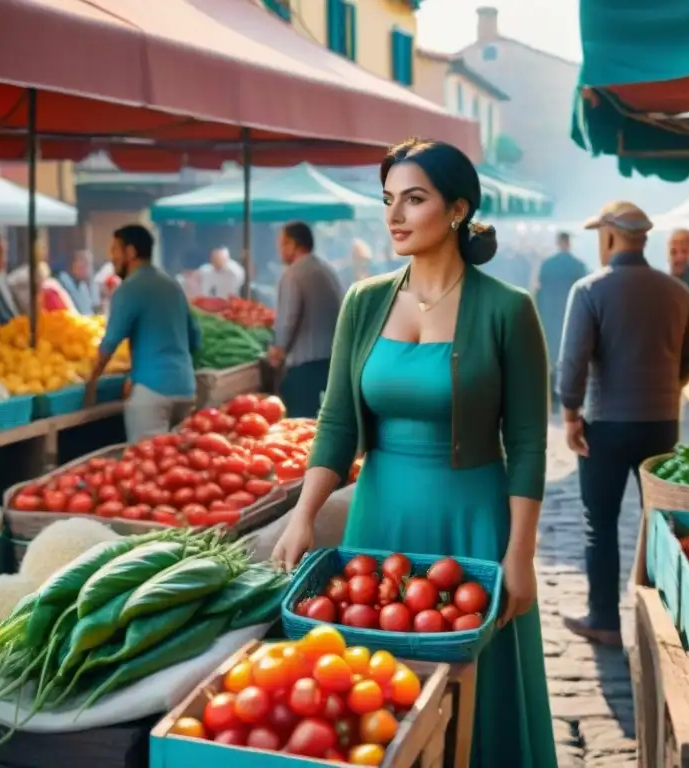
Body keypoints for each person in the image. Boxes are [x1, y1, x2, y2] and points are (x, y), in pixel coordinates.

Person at [272, 138, 557, 767]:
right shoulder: (364, 301)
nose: (395, 215)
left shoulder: (510, 310)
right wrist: (301, 515)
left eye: (415, 199)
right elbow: (337, 422)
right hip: (377, 523)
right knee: (379, 696)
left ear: (457, 209)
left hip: (473, 525)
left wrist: (521, 555)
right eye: (388, 200)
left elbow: (531, 444)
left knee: (476, 696)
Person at [558, 201, 689, 647]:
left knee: (600, 521)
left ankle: (604, 618)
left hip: (605, 425)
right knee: (660, 523)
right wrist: (661, 392)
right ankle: (668, 621)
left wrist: (569, 415)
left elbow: (571, 364)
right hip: (661, 425)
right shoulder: (679, 292)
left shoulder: (589, 290)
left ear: (611, 237)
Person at [85, 225, 201, 441]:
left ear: (131, 252)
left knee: (146, 464)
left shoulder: (129, 289)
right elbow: (195, 337)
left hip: (151, 394)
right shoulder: (172, 286)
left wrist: (91, 386)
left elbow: (109, 343)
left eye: (115, 250)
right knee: (177, 466)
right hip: (186, 390)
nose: (112, 257)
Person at [267, 222, 344, 418]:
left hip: (305, 365)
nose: (279, 251)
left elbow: (287, 319)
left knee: (300, 423)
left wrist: (278, 350)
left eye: (281, 245)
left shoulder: (293, 274)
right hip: (331, 361)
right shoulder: (326, 270)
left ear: (293, 245)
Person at [534, 232, 588, 411]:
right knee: (568, 357)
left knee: (551, 357)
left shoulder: (547, 265)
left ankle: (552, 398)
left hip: (550, 315)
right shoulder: (578, 266)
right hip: (571, 315)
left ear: (558, 243)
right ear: (568, 243)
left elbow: (539, 292)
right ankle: (565, 396)